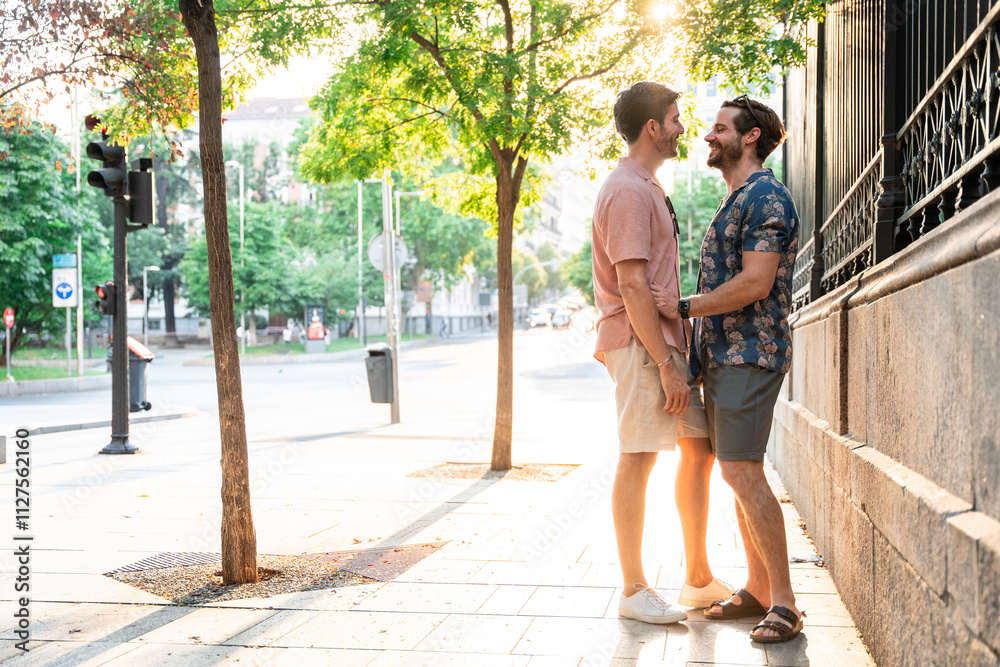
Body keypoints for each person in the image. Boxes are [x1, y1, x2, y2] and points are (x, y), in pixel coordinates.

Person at [653, 95, 802, 643]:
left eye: (720, 129)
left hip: (749, 353)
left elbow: (755, 283)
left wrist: (683, 307)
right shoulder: (738, 197)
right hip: (719, 356)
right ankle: (758, 589)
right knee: (735, 472)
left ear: (751, 136)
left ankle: (784, 604)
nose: (707, 136)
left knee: (742, 471)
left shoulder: (766, 196)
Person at [592, 81, 732, 625]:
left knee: (698, 450)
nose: (682, 128)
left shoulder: (647, 184)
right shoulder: (628, 189)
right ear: (652, 127)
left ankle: (697, 579)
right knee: (639, 455)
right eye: (675, 118)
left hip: (667, 343)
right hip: (641, 344)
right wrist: (667, 364)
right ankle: (632, 589)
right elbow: (630, 286)